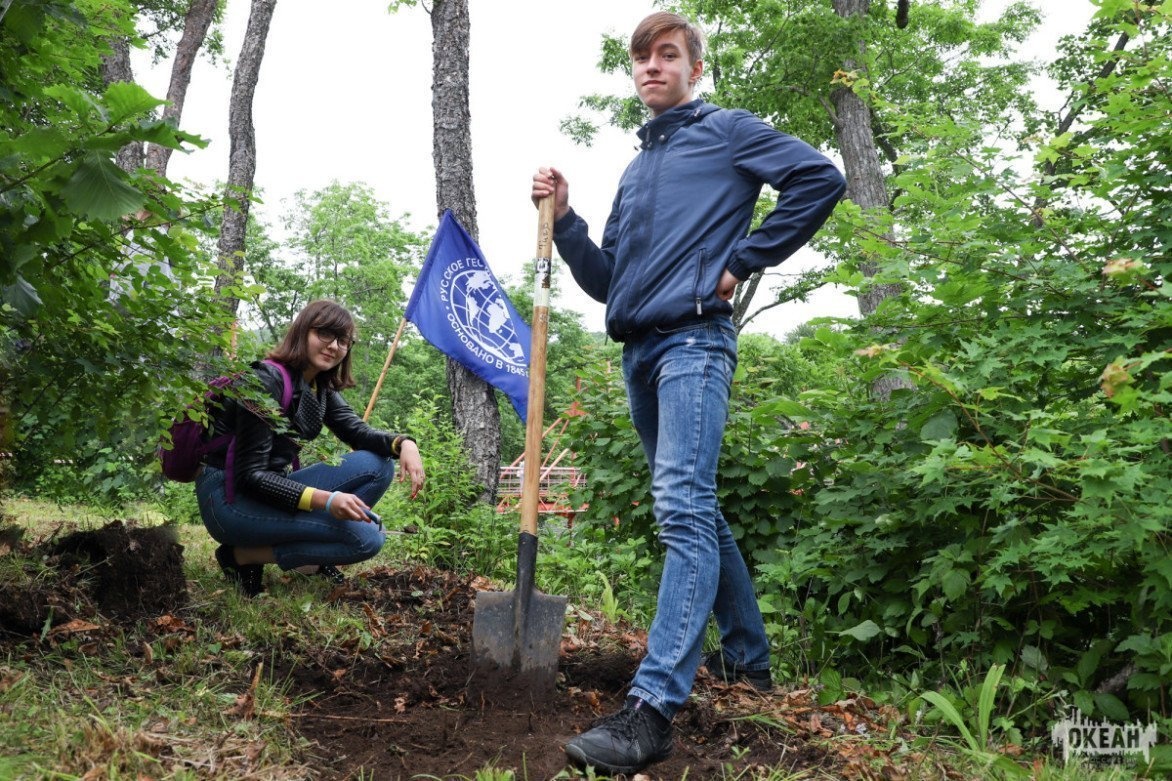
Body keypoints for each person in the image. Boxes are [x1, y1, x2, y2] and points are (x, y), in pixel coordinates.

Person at [531, 11, 846, 775]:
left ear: (694, 69)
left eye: (667, 55)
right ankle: (750, 664)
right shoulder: (638, 170)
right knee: (697, 507)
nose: (651, 67)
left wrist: (746, 257)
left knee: (680, 507)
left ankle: (652, 709)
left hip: (695, 344)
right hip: (638, 350)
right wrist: (568, 221)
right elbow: (610, 281)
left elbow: (820, 178)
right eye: (641, 58)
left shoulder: (728, 131)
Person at [196, 299, 425, 597]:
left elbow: (358, 432)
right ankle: (239, 557)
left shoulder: (318, 387)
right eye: (325, 334)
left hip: (271, 491)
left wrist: (405, 443)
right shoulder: (265, 380)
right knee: (367, 540)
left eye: (343, 340)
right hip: (229, 501)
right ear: (303, 331)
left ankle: (310, 561)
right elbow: (250, 477)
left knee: (378, 465)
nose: (334, 346)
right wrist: (327, 501)